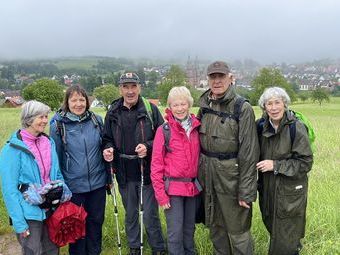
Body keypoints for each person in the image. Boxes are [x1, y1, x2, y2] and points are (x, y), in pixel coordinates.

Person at [198, 61, 259, 255]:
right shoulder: (204, 105)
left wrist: (246, 190)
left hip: (232, 179)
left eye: (221, 77)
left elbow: (249, 152)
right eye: (213, 77)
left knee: (238, 231)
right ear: (208, 79)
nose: (217, 81)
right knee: (216, 227)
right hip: (208, 176)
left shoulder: (242, 107)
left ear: (230, 78)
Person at [102, 72, 166, 255]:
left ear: (139, 87)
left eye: (133, 86)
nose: (130, 91)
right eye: (125, 86)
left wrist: (148, 147)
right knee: (131, 214)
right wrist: (108, 149)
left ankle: (158, 248)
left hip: (146, 171)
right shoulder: (113, 111)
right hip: (123, 172)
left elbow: (163, 138)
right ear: (120, 89)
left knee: (150, 214)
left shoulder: (150, 109)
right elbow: (106, 138)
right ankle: (134, 247)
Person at [0, 100, 71, 255]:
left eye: (46, 116)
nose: (45, 121)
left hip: (51, 209)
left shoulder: (48, 142)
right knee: (33, 251)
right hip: (29, 215)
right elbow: (9, 190)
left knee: (53, 250)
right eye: (41, 117)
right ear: (28, 119)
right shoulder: (11, 150)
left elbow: (57, 174)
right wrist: (19, 223)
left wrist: (61, 193)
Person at [50, 85, 108, 255]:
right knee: (75, 226)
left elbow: (104, 149)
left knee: (96, 223)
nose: (78, 104)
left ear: (87, 101)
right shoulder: (58, 125)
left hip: (98, 184)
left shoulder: (97, 121)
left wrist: (108, 180)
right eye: (74, 100)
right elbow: (56, 159)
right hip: (73, 187)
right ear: (67, 102)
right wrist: (61, 186)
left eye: (82, 99)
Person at [256, 87, 313, 255]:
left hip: (290, 193)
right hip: (268, 189)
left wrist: (276, 165)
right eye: (269, 104)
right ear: (264, 107)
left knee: (287, 236)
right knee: (274, 230)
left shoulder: (296, 127)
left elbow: (305, 162)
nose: (274, 108)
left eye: (277, 103)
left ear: (284, 104)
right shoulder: (260, 126)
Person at [151, 86, 201, 255]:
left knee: (189, 231)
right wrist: (161, 195)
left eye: (183, 104)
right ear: (170, 107)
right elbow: (156, 166)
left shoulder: (196, 128)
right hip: (172, 190)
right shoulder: (163, 131)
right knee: (175, 234)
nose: (179, 108)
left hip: (192, 189)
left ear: (189, 104)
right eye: (175, 105)